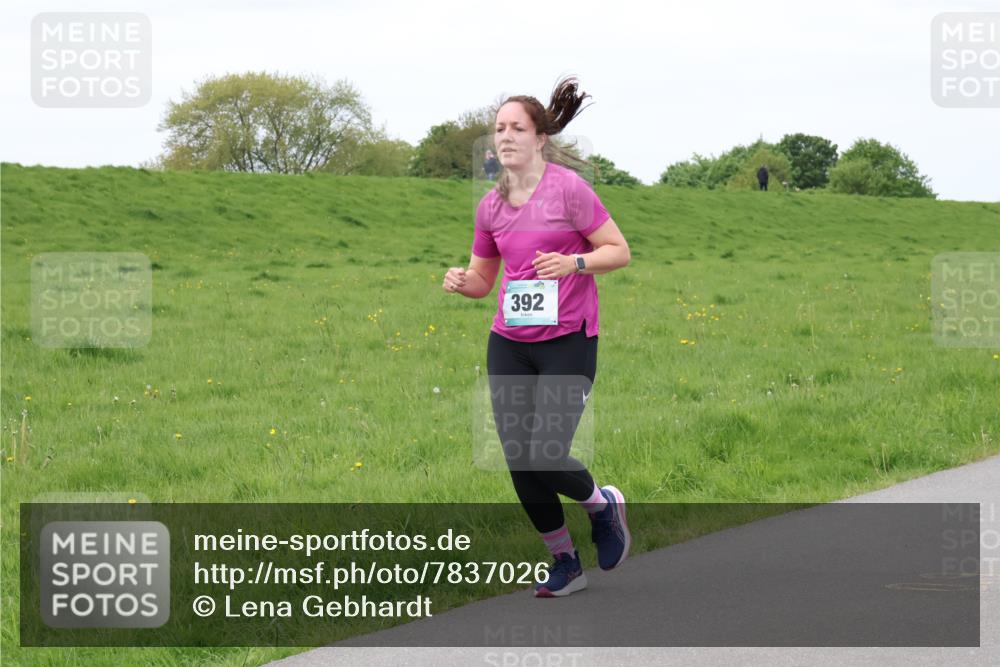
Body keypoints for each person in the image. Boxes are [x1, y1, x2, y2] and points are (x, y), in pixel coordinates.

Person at [442, 77, 632, 598]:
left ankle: (602, 506)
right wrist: (463, 283)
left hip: (568, 339)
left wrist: (574, 262)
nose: (505, 136)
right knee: (518, 457)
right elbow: (485, 282)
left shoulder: (569, 190)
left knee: (545, 453)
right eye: (499, 128)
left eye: (517, 128)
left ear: (539, 138)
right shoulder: (490, 207)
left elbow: (618, 250)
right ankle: (565, 562)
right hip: (510, 342)